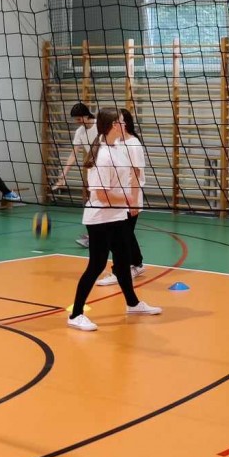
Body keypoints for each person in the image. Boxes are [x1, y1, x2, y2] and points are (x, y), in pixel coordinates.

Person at [67, 108, 161, 332]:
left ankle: (133, 304)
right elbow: (101, 195)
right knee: (97, 265)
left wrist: (130, 198)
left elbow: (130, 176)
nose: (124, 125)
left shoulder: (117, 147)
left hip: (116, 214)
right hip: (100, 218)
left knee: (123, 260)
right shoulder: (102, 156)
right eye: (120, 122)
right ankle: (76, 314)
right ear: (112, 126)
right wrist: (129, 198)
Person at [96, 107, 146, 286]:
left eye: (122, 121)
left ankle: (121, 270)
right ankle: (136, 264)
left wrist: (133, 202)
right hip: (118, 198)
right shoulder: (115, 144)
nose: (120, 125)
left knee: (120, 237)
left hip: (130, 197)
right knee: (124, 235)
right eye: (117, 122)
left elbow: (136, 175)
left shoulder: (133, 144)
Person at [52, 103, 96, 248]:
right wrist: (63, 175)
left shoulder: (100, 126)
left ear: (86, 115)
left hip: (107, 169)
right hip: (93, 170)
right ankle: (94, 235)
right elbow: (73, 154)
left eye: (79, 119)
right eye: (75, 119)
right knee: (92, 203)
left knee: (96, 205)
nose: (77, 122)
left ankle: (95, 237)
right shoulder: (80, 132)